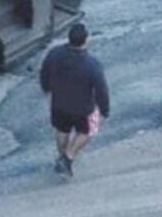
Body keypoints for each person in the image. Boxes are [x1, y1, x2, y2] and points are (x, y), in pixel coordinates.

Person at [40, 22, 110, 177]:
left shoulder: (54, 54)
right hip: (83, 108)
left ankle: (61, 156)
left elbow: (44, 72)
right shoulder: (92, 65)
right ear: (86, 40)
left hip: (59, 103)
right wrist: (104, 110)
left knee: (62, 130)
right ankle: (68, 157)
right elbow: (101, 90)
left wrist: (46, 87)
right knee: (89, 130)